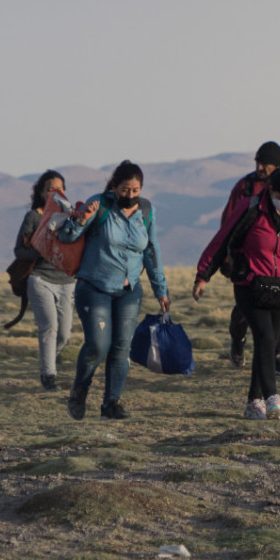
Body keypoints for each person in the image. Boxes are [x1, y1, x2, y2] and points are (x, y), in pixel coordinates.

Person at [195, 168, 280, 420]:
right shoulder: (249, 208)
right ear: (270, 191)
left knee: (270, 343)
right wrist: (203, 275)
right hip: (249, 285)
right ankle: (272, 397)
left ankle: (254, 402)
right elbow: (221, 240)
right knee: (264, 336)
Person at [59, 160, 169, 421]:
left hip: (130, 290)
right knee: (99, 344)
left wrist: (160, 289)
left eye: (135, 190)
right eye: (124, 190)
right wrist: (82, 218)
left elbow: (151, 249)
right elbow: (66, 237)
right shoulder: (100, 205)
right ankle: (80, 390)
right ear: (115, 186)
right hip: (94, 286)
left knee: (121, 348)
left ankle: (111, 404)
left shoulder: (146, 211)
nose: (129, 196)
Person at [219, 142, 280, 375]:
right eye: (258, 162)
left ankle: (277, 356)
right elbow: (228, 222)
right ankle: (238, 340)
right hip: (248, 264)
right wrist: (227, 259)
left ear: (278, 166)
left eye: (265, 163)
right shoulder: (245, 187)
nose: (260, 167)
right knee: (245, 307)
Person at [14, 170, 77, 392]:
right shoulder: (33, 217)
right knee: (49, 327)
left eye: (59, 189)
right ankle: (48, 375)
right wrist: (41, 252)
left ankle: (48, 362)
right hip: (40, 279)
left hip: (67, 282)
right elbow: (19, 251)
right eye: (50, 189)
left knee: (64, 334)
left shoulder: (72, 216)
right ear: (41, 192)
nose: (55, 193)